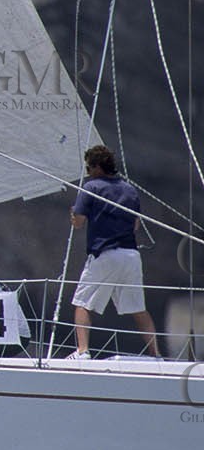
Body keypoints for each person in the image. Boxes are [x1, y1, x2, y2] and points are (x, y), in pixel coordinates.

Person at [67, 145, 160, 359]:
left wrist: (73, 215)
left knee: (83, 304)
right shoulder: (130, 189)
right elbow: (135, 225)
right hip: (131, 255)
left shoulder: (91, 187)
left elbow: (79, 223)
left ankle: (82, 352)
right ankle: (157, 355)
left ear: (98, 167)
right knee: (138, 308)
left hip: (105, 254)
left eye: (89, 167)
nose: (88, 171)